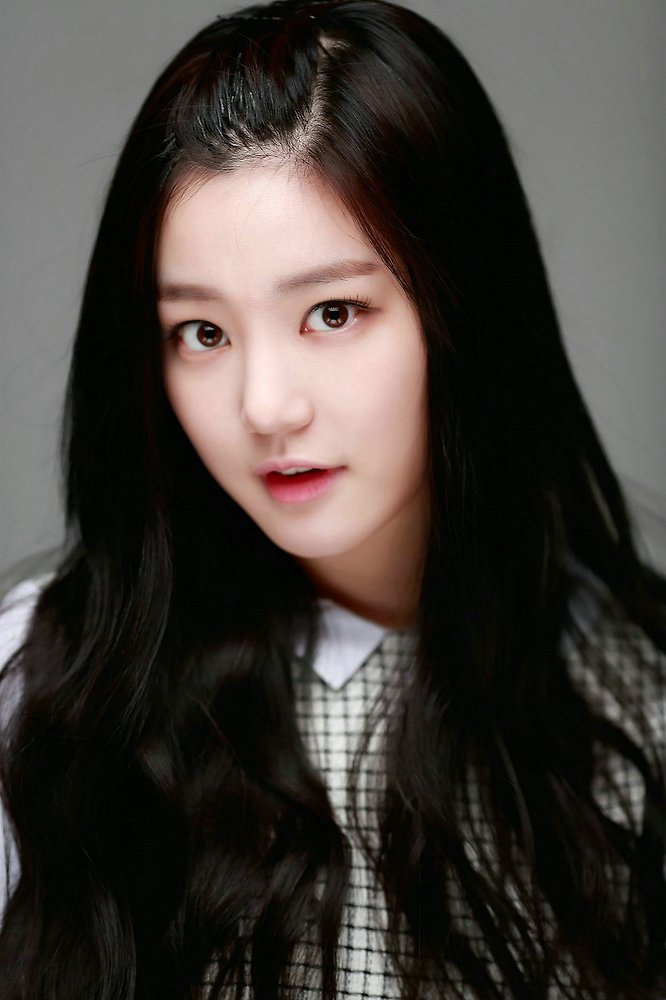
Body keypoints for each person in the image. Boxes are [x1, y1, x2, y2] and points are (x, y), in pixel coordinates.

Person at [0, 0, 664, 996]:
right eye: (202, 334)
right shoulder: (50, 695)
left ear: (462, 309)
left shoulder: (633, 696)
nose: (265, 406)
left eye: (333, 312)